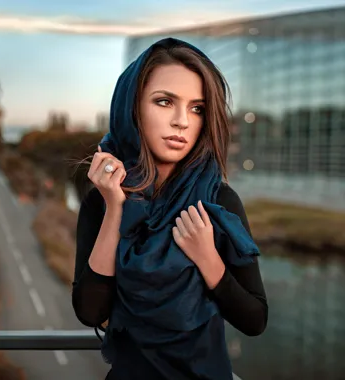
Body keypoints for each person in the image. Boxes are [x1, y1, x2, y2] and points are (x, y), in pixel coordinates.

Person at [72, 37, 268, 380]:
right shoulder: (99, 201)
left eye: (197, 108)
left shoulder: (219, 201)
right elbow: (90, 311)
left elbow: (255, 320)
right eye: (165, 102)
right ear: (132, 108)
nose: (182, 121)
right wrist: (115, 209)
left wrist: (207, 257)